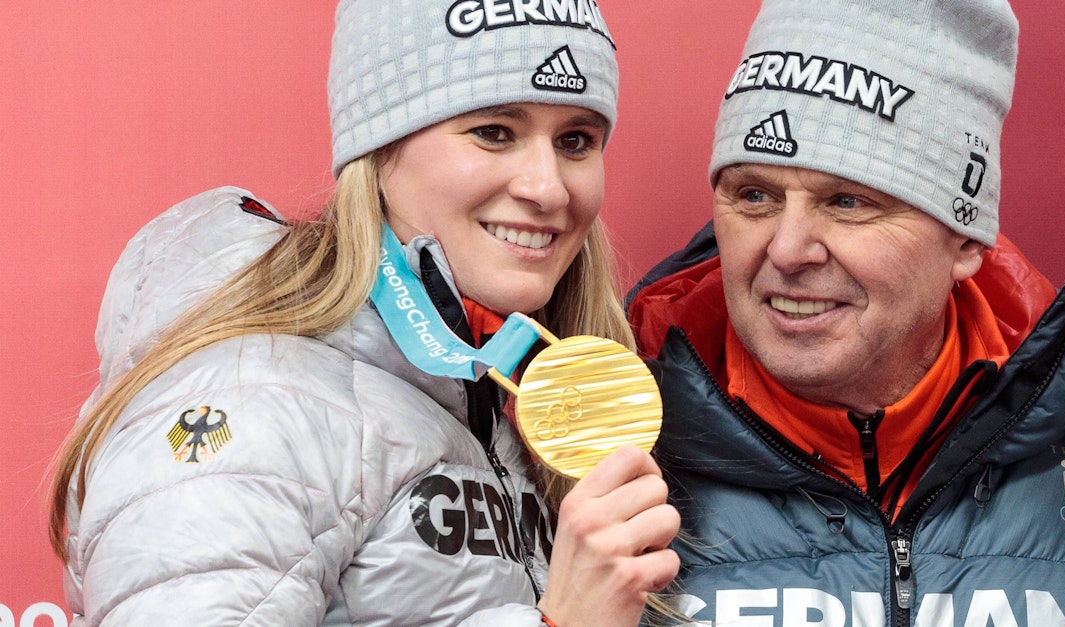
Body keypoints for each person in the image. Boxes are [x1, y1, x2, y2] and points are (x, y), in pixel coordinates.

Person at [48, 0, 678, 624]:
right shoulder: (258, 394)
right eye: (495, 132)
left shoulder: (484, 396)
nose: (548, 187)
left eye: (576, 140)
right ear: (379, 149)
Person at [624, 0, 1065, 623]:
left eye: (847, 201)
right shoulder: (617, 462)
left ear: (967, 240)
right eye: (755, 195)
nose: (787, 250)